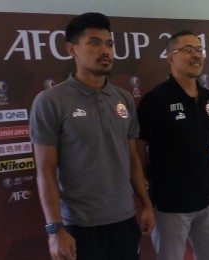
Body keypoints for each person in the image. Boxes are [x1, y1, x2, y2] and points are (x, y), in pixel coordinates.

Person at [29, 12, 154, 260]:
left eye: (109, 44)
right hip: (79, 226)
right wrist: (55, 229)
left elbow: (131, 158)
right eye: (94, 43)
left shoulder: (123, 98)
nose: (105, 50)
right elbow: (45, 171)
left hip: (124, 219)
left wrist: (146, 204)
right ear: (71, 49)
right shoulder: (50, 101)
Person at [136, 30, 209, 260]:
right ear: (170, 57)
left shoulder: (208, 97)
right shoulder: (155, 100)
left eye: (199, 50)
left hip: (207, 199)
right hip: (170, 206)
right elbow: (137, 147)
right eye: (188, 50)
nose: (196, 55)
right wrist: (148, 181)